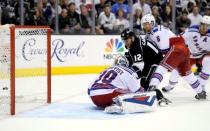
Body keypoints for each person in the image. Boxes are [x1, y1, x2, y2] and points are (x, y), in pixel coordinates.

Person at [141, 14, 206, 100]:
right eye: (144, 24)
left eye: (147, 23)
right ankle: (201, 92)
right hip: (184, 50)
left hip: (177, 48)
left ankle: (152, 87)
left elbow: (163, 50)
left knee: (162, 66)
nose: (146, 26)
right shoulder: (153, 33)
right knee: (187, 75)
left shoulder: (156, 32)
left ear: (152, 23)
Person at [88, 55, 157, 113]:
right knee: (131, 92)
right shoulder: (128, 71)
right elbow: (138, 91)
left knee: (120, 88)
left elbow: (89, 89)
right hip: (108, 96)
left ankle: (113, 103)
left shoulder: (106, 69)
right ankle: (118, 105)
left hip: (94, 97)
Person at [120, 28, 171, 105]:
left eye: (126, 41)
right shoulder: (135, 43)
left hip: (155, 62)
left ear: (132, 38)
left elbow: (139, 66)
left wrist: (130, 75)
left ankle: (161, 98)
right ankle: (151, 95)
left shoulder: (136, 47)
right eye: (124, 41)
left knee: (146, 84)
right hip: (149, 61)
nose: (125, 43)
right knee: (144, 83)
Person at [162, 15, 210, 95]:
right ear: (200, 24)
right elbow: (179, 38)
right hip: (189, 55)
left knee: (208, 61)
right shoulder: (192, 30)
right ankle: (170, 85)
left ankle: (201, 87)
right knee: (176, 70)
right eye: (203, 24)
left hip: (203, 55)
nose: (204, 27)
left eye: (207, 26)